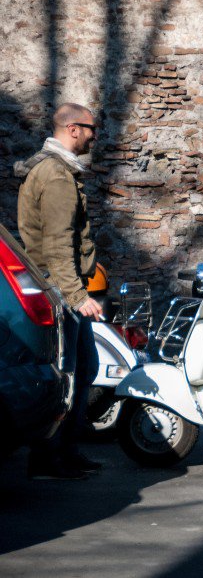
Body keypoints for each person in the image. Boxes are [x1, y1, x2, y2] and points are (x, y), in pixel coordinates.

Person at [15, 102, 105, 480]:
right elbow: (56, 243)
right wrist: (77, 296)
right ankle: (49, 456)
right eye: (90, 129)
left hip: (63, 284)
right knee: (69, 371)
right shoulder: (56, 176)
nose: (93, 137)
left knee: (84, 367)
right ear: (72, 129)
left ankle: (65, 449)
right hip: (59, 287)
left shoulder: (60, 171)